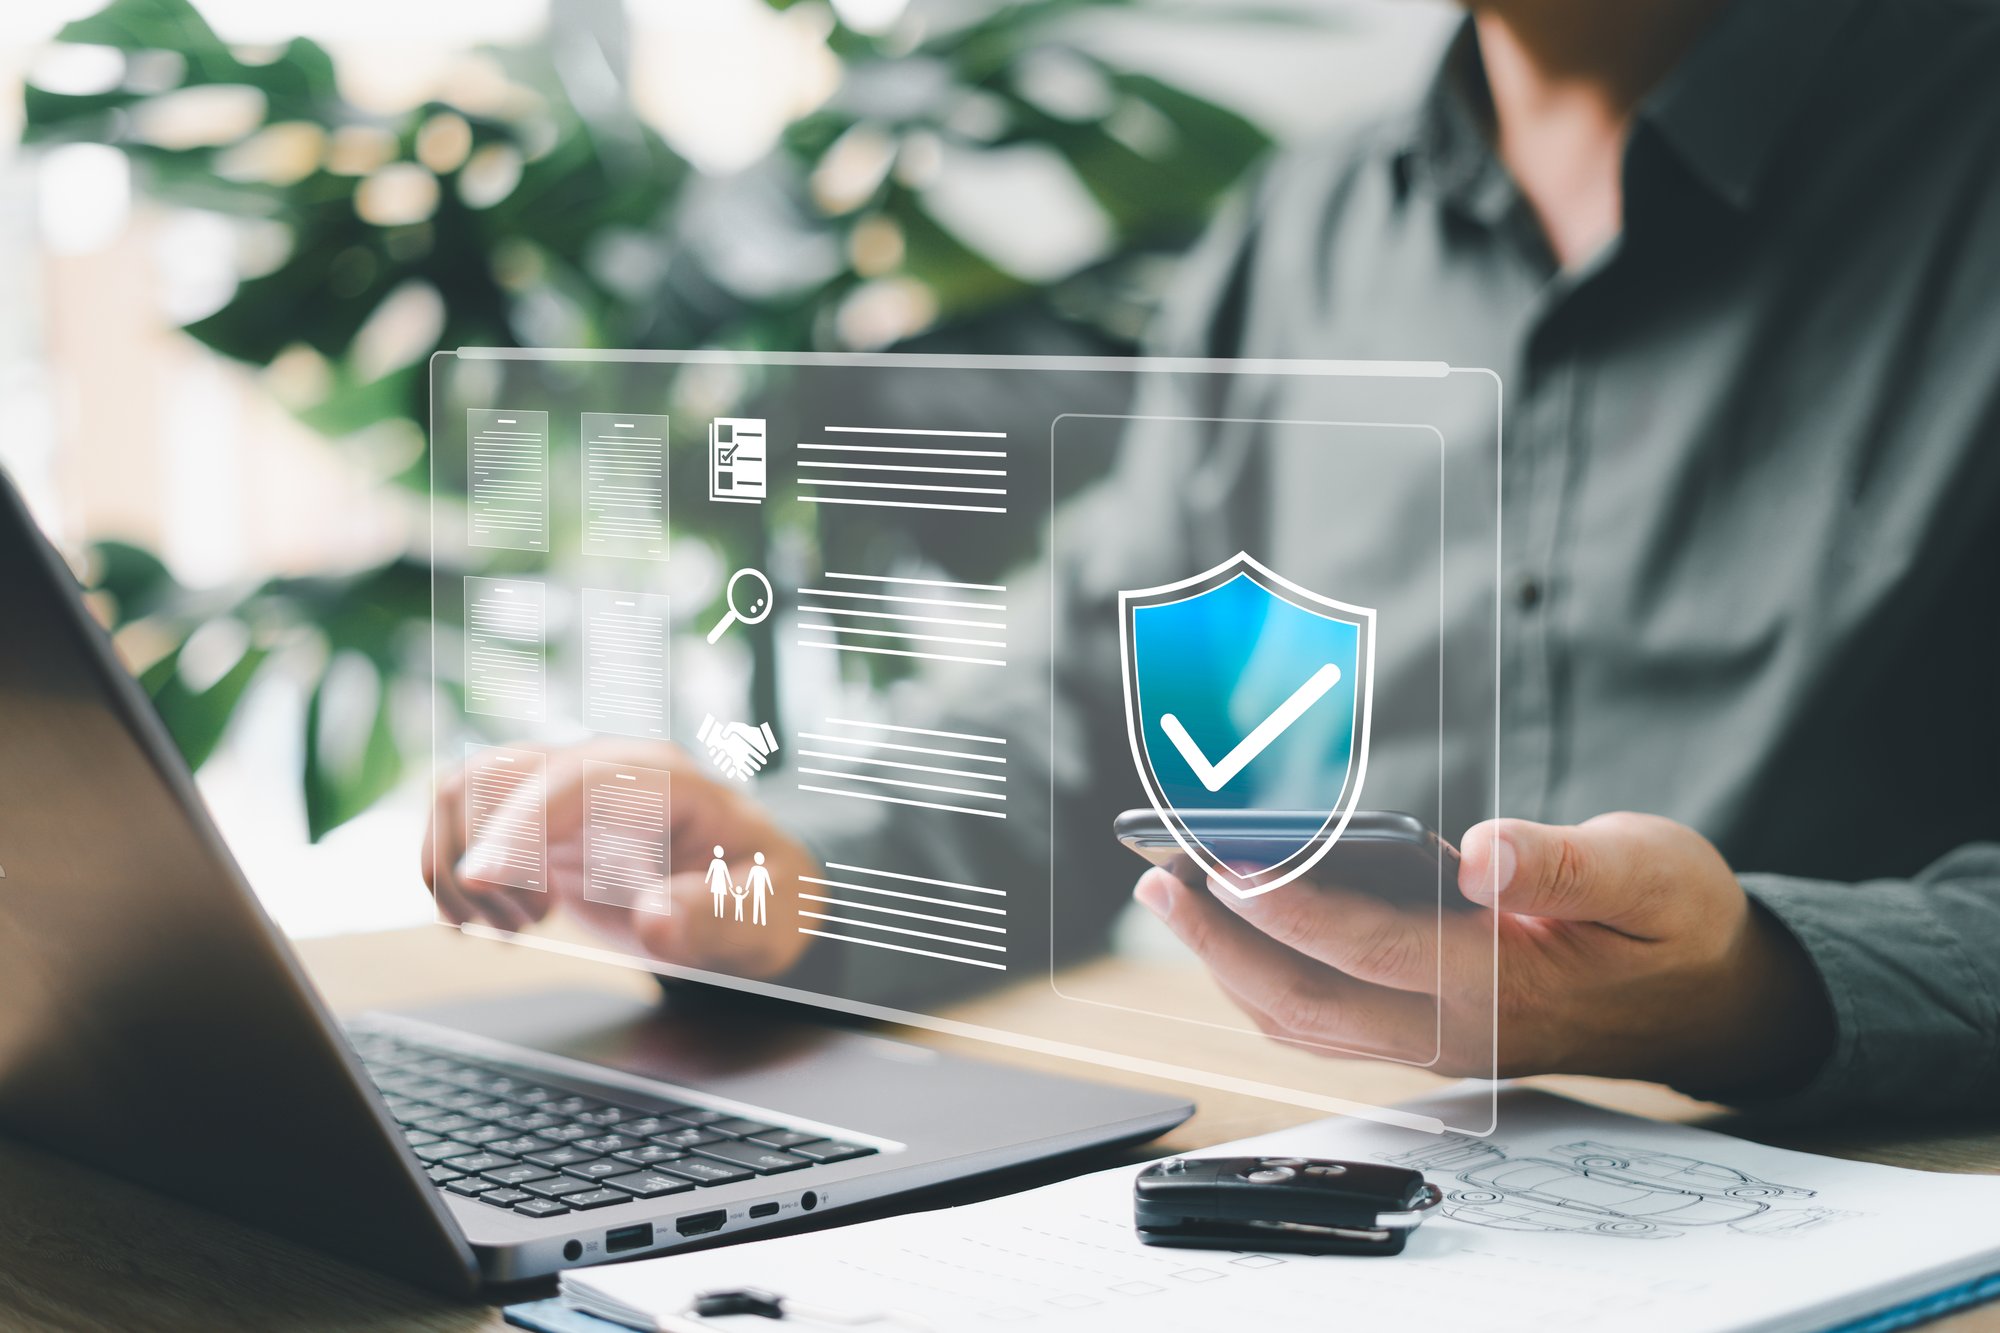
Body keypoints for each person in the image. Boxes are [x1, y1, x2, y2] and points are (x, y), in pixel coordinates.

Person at [427, 0, 2000, 1118]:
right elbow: (1081, 720)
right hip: (1308, 1163)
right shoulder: (1297, 234)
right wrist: (791, 875)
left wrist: (1759, 984)